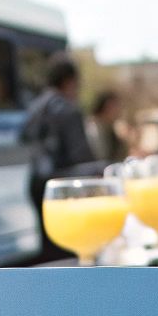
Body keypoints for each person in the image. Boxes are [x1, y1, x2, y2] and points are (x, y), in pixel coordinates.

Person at [20, 53, 95, 211]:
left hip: (37, 183)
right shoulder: (67, 110)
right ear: (69, 81)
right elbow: (81, 155)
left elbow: (23, 137)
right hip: (62, 185)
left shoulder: (34, 107)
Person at [87, 89, 131, 164]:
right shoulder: (93, 128)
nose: (119, 110)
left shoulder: (111, 127)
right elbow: (102, 157)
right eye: (115, 106)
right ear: (107, 106)